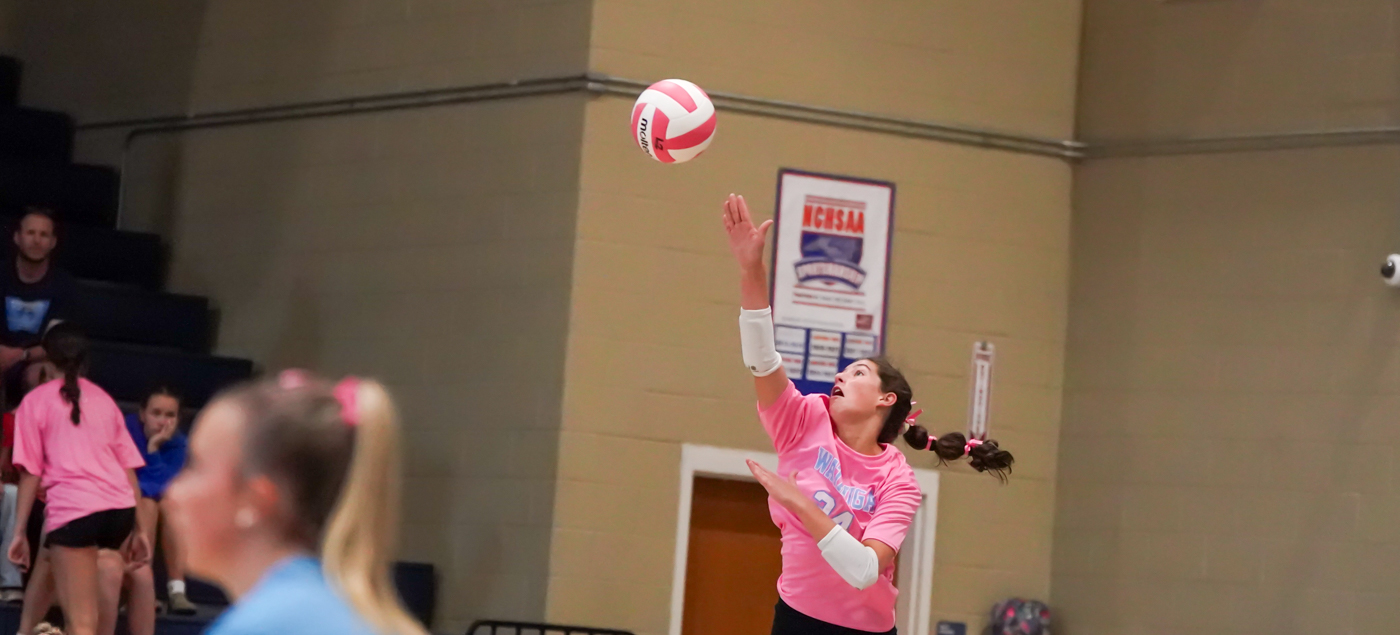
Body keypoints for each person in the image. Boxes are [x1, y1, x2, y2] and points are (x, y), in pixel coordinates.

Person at [720, 193, 1014, 634]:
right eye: (844, 370)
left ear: (886, 399)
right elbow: (762, 359)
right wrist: (750, 269)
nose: (840, 375)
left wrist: (800, 504)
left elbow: (863, 570)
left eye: (857, 372)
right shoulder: (804, 419)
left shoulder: (898, 480)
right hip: (796, 619)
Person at [163, 370, 427, 635]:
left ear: (255, 500)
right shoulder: (351, 611)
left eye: (194, 466)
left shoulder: (266, 625)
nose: (173, 491)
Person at [6, 323, 150, 635]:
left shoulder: (35, 401)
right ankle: (24, 630)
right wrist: (141, 529)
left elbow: (31, 471)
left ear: (46, 360)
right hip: (119, 510)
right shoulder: (104, 399)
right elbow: (127, 467)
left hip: (76, 512)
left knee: (81, 624)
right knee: (49, 559)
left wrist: (18, 532)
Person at [122, 384, 196, 635]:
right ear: (142, 414)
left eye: (170, 415)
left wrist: (153, 449)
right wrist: (150, 485)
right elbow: (129, 479)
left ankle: (177, 590)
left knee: (168, 504)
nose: (163, 421)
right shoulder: (125, 430)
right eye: (156, 413)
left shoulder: (179, 444)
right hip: (122, 499)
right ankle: (141, 590)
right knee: (147, 502)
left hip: (154, 500)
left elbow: (169, 487)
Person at [0, 208, 75, 377]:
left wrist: (22, 355)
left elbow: (60, 343)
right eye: (30, 233)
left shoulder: (64, 285)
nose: (36, 240)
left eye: (43, 235)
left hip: (39, 360)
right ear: (17, 237)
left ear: (53, 242)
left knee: (46, 375)